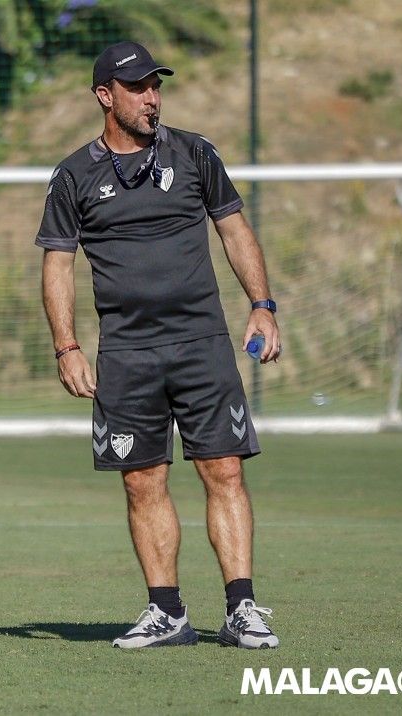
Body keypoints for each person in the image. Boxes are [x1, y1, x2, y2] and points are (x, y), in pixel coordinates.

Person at [36, 43, 282, 649]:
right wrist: (67, 346)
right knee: (141, 482)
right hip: (126, 354)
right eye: (138, 88)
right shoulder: (74, 176)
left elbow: (233, 229)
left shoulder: (196, 153)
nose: (152, 98)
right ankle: (166, 612)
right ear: (105, 96)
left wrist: (262, 305)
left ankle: (242, 609)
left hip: (202, 344)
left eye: (156, 86)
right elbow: (58, 265)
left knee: (222, 469)